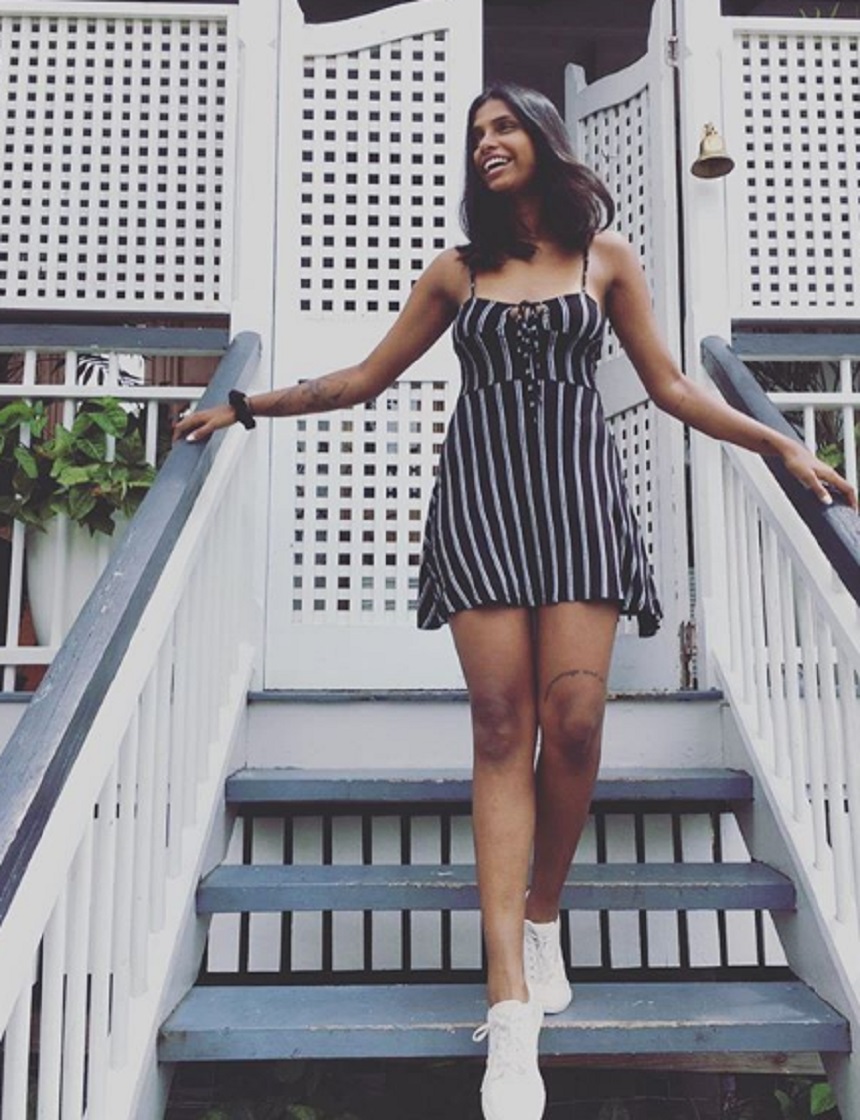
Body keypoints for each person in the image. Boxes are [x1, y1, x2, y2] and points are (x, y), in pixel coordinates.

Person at [174, 83, 857, 1120]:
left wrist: (779, 444)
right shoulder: (455, 272)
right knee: (500, 729)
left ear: (543, 139)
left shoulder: (603, 259)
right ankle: (508, 1014)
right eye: (476, 134)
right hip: (481, 503)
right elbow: (363, 379)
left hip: (579, 503)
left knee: (573, 721)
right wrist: (241, 404)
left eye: (504, 128)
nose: (487, 143)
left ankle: (542, 916)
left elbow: (671, 387)